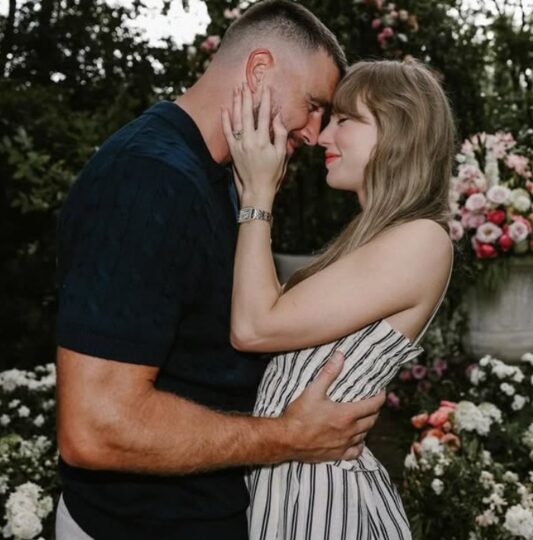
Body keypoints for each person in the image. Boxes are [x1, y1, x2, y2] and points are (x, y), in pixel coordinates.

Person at [54, 2, 387, 539]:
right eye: (313, 106)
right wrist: (289, 436)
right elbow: (96, 427)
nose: (314, 133)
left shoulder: (221, 177)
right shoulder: (149, 179)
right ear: (259, 70)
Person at [223, 59, 455, 539]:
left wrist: (258, 198)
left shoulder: (423, 240)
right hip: (290, 480)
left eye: (344, 120)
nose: (323, 137)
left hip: (321, 498)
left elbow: (253, 327)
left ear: (397, 130)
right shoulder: (371, 240)